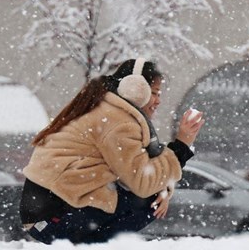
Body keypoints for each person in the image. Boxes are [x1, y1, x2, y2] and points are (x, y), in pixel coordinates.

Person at [20, 58, 203, 244]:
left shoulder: (107, 109)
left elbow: (137, 172)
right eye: (154, 93)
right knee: (148, 202)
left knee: (147, 196)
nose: (158, 101)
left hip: (44, 214)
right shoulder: (119, 121)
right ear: (136, 90)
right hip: (52, 217)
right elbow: (142, 182)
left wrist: (163, 187)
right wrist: (182, 144)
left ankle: (91, 244)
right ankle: (91, 245)